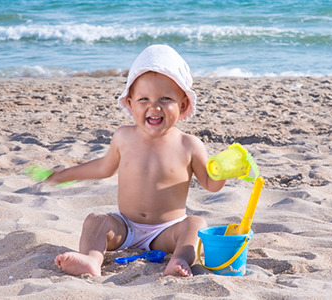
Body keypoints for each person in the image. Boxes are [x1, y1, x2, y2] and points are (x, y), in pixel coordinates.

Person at [47, 45, 226, 277]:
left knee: (196, 225)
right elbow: (103, 167)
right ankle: (92, 259)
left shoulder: (189, 145)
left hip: (168, 230)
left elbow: (211, 184)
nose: (154, 106)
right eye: (144, 99)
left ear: (182, 104)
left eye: (165, 98)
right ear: (130, 104)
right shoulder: (124, 136)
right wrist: (65, 174)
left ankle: (179, 260)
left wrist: (226, 171)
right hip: (125, 226)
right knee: (95, 221)